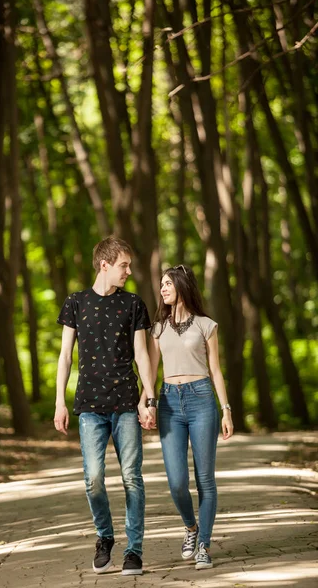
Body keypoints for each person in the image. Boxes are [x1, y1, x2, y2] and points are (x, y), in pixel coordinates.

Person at [54, 236, 156, 576]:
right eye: (124, 265)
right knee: (94, 479)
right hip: (89, 406)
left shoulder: (133, 304)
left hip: (126, 403)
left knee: (131, 477)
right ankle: (105, 537)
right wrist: (60, 402)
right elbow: (66, 355)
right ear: (105, 265)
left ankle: (134, 550)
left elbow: (142, 354)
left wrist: (149, 397)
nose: (128, 271)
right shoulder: (76, 303)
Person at [146, 264, 234, 570]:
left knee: (205, 480)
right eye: (161, 285)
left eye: (168, 283)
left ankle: (205, 546)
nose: (163, 289)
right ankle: (190, 527)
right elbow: (151, 372)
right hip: (170, 402)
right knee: (177, 483)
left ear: (182, 285)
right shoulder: (157, 328)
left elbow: (216, 370)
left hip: (202, 401)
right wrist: (148, 403)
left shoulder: (206, 326)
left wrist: (226, 409)